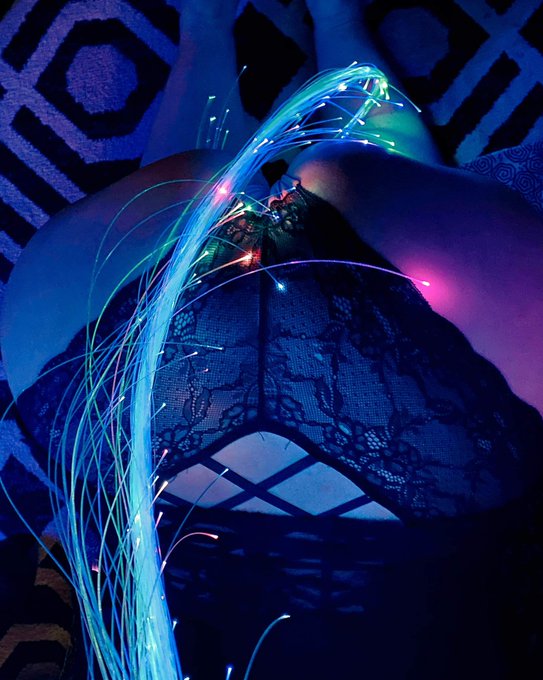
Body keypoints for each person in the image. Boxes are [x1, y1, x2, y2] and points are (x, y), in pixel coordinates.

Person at [1, 1, 542, 678]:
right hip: (131, 414)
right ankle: (238, 27)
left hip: (444, 461)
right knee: (192, 204)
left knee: (228, 203)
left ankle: (281, 25)